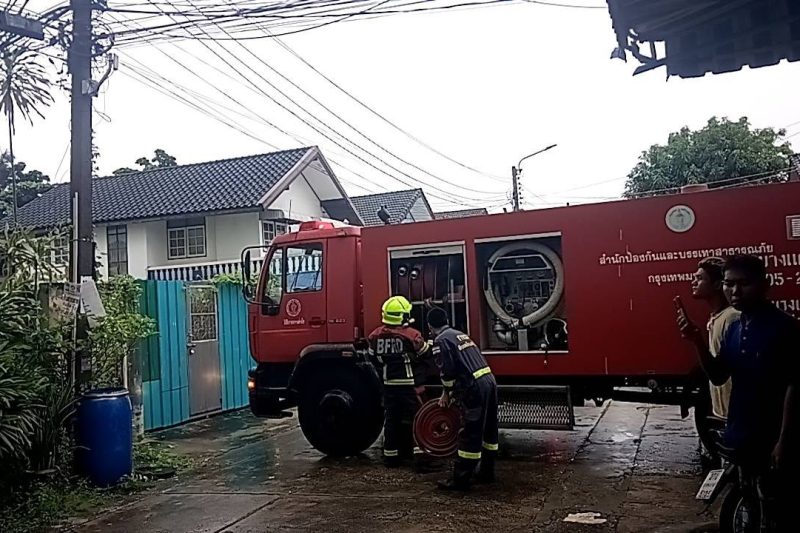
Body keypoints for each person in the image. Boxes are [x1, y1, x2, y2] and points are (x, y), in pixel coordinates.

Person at [677, 255, 798, 529]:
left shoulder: (783, 328)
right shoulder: (734, 327)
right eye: (729, 284)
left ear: (765, 284)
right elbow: (719, 375)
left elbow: (794, 385)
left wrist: (784, 441)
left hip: (772, 441)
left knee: (777, 511)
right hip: (742, 439)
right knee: (752, 505)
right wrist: (697, 340)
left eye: (744, 284)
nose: (735, 291)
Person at [427, 306, 498, 491]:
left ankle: (460, 480)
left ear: (429, 326)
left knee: (471, 433)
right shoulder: (458, 334)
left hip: (474, 386)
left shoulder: (440, 341)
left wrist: (446, 393)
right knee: (489, 430)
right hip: (489, 381)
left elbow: (447, 372)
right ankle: (487, 473)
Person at [368, 295, 431, 468]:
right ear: (402, 316)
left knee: (392, 420)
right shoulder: (412, 335)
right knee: (417, 419)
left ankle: (391, 457)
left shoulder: (375, 336)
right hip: (409, 386)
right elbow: (425, 354)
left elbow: (373, 358)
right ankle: (420, 459)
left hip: (389, 385)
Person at [690, 257, 740, 419]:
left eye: (700, 278)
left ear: (718, 284)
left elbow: (718, 374)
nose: (693, 282)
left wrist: (696, 339)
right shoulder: (717, 317)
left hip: (737, 413)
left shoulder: (731, 318)